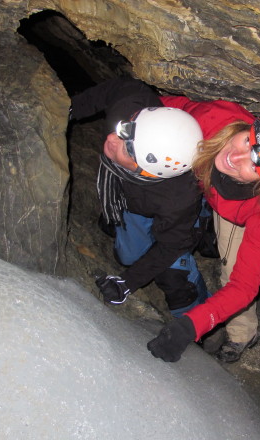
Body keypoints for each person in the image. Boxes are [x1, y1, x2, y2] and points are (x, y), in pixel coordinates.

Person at [146, 94, 260, 363]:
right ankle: (242, 334)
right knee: (229, 269)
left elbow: (245, 285)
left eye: (257, 163)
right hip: (232, 208)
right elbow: (162, 105)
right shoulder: (214, 121)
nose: (235, 156)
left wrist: (190, 326)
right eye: (248, 140)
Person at [69, 77, 209, 318]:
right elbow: (116, 87)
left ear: (147, 171)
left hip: (170, 213)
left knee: (173, 274)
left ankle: (196, 309)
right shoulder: (130, 109)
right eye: (126, 131)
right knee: (128, 256)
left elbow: (170, 246)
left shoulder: (178, 197)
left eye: (128, 149)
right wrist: (68, 110)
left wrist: (127, 283)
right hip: (134, 200)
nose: (113, 139)